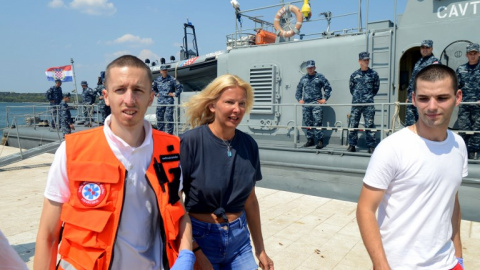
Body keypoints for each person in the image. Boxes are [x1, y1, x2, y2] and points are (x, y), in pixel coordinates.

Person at [34, 55, 194, 270]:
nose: (129, 99)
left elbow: (178, 210)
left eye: (138, 90)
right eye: (120, 90)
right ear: (106, 97)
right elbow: (48, 235)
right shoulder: (72, 151)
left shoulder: (170, 150)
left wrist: (186, 253)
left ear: (150, 98)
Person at [356, 64, 466, 270]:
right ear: (413, 99)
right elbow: (365, 209)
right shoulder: (392, 148)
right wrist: (380, 265)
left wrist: (458, 255)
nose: (432, 107)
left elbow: (452, 200)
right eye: (424, 98)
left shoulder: (459, 145)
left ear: (457, 97)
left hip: (448, 263)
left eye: (442, 98)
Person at [180, 74, 274, 270]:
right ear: (212, 105)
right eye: (229, 102)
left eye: (241, 103)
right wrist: (194, 251)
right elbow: (176, 202)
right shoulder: (190, 142)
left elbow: (250, 200)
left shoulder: (249, 145)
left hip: (239, 241)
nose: (237, 109)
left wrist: (260, 250)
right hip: (201, 239)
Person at [295, 60, 333, 149]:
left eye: (311, 67)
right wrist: (299, 99)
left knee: (317, 122)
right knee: (308, 123)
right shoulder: (303, 78)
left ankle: (320, 141)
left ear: (314, 67)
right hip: (306, 104)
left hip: (316, 104)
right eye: (308, 68)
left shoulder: (320, 77)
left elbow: (328, 87)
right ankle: (310, 140)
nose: (310, 69)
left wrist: (324, 99)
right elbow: (299, 89)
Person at [347, 52, 380, 153]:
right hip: (356, 104)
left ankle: (371, 146)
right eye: (364, 60)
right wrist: (358, 97)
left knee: (369, 125)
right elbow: (351, 89)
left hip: (368, 104)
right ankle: (352, 145)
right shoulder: (354, 75)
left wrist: (368, 97)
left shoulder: (373, 74)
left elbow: (376, 88)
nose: (366, 61)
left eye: (367, 60)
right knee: (353, 125)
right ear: (359, 61)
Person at [405, 39, 440, 126]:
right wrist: (408, 96)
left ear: (431, 49)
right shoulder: (418, 62)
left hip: (425, 98)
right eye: (423, 47)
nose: (424, 49)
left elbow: (435, 81)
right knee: (410, 123)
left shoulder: (434, 62)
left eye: (427, 48)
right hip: (413, 98)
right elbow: (413, 80)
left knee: (424, 123)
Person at [457, 43, 480, 160]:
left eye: (475, 53)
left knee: (478, 132)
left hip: (478, 106)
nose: (472, 56)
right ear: (467, 55)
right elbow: (456, 87)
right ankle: (463, 156)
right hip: (464, 106)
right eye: (470, 53)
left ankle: (476, 157)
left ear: (479, 54)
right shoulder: (461, 69)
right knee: (464, 131)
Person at [153, 64, 183, 134]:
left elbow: (180, 87)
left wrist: (174, 94)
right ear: (160, 71)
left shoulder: (172, 79)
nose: (164, 72)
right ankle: (160, 134)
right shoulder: (157, 80)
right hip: (160, 101)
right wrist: (156, 94)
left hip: (169, 101)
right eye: (163, 70)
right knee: (159, 118)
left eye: (165, 70)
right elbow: (152, 88)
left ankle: (169, 135)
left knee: (169, 118)